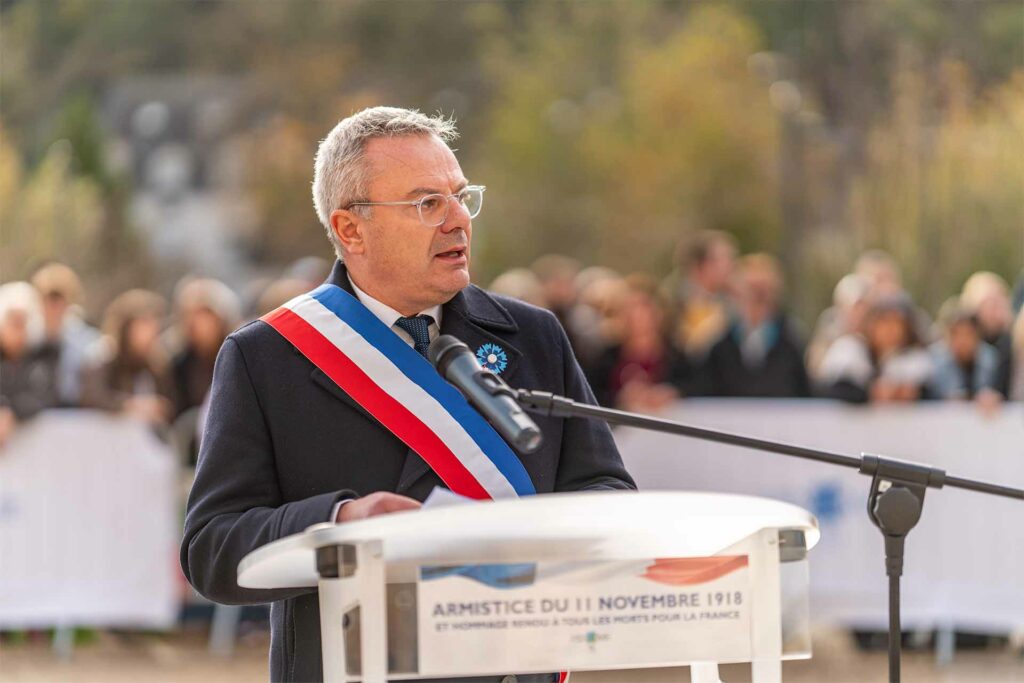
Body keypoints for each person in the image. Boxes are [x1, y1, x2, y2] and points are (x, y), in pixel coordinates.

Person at [181, 107, 635, 683]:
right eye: (427, 203)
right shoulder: (268, 356)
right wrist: (341, 522)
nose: (458, 220)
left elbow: (606, 488)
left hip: (511, 666)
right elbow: (212, 549)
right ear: (351, 230)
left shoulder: (533, 334)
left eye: (461, 196)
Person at [693, 254, 810, 398]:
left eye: (763, 290)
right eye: (752, 289)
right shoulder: (720, 342)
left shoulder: (791, 340)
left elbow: (804, 389)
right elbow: (703, 385)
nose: (757, 297)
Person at [588, 276, 691, 411]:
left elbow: (694, 388)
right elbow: (592, 396)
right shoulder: (606, 358)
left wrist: (672, 393)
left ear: (658, 312)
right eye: (629, 308)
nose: (636, 315)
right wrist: (619, 398)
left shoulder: (676, 357)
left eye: (643, 306)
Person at [80, 289, 175, 429]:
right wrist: (129, 405)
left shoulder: (157, 366)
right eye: (143, 325)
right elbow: (93, 397)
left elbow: (171, 404)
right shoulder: (104, 358)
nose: (149, 332)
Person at [817, 294, 933, 403]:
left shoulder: (916, 359)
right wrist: (868, 393)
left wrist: (912, 393)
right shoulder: (850, 351)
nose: (890, 330)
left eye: (897, 324)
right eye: (884, 323)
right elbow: (829, 392)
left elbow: (931, 395)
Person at [30, 262, 102, 406]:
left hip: (73, 412)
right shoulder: (28, 337)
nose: (53, 306)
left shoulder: (87, 341)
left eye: (59, 299)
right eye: (48, 299)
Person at [0, 282, 61, 445]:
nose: (19, 331)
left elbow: (44, 396)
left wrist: (11, 411)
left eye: (23, 324)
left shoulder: (44, 357)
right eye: (14, 323)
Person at [927, 300, 1002, 411]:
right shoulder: (933, 361)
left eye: (968, 334)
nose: (963, 341)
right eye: (956, 334)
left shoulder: (990, 358)